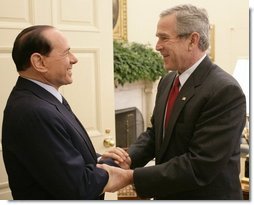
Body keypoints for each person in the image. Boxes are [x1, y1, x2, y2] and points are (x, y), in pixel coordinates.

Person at [97, 4, 246, 200]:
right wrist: (128, 158)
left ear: (192, 40)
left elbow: (199, 165)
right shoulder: (168, 81)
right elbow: (156, 134)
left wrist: (131, 177)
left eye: (164, 38)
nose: (157, 45)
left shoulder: (225, 91)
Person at [1, 25, 128, 200]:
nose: (74, 59)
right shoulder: (34, 112)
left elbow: (59, 161)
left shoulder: (44, 98)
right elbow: (78, 187)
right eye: (66, 53)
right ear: (39, 62)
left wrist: (99, 160)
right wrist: (118, 172)